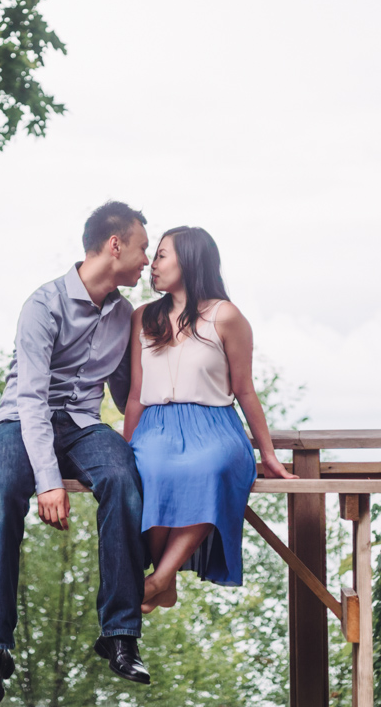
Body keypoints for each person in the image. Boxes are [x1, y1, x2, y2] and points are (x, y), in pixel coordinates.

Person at [0, 201, 153, 707]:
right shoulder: (43, 304)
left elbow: (125, 389)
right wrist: (48, 481)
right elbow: (30, 399)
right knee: (1, 497)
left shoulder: (125, 316)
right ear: (115, 245)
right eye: (142, 248)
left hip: (83, 427)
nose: (146, 260)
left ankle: (120, 634)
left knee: (123, 477)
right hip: (22, 423)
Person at [123, 226, 297, 613]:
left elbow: (245, 390)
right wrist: (126, 448)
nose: (152, 264)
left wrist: (267, 453)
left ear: (189, 260)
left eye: (162, 255)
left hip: (215, 426)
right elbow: (135, 394)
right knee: (147, 468)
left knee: (210, 467)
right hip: (156, 425)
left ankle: (160, 580)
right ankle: (163, 582)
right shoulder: (142, 318)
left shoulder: (227, 316)